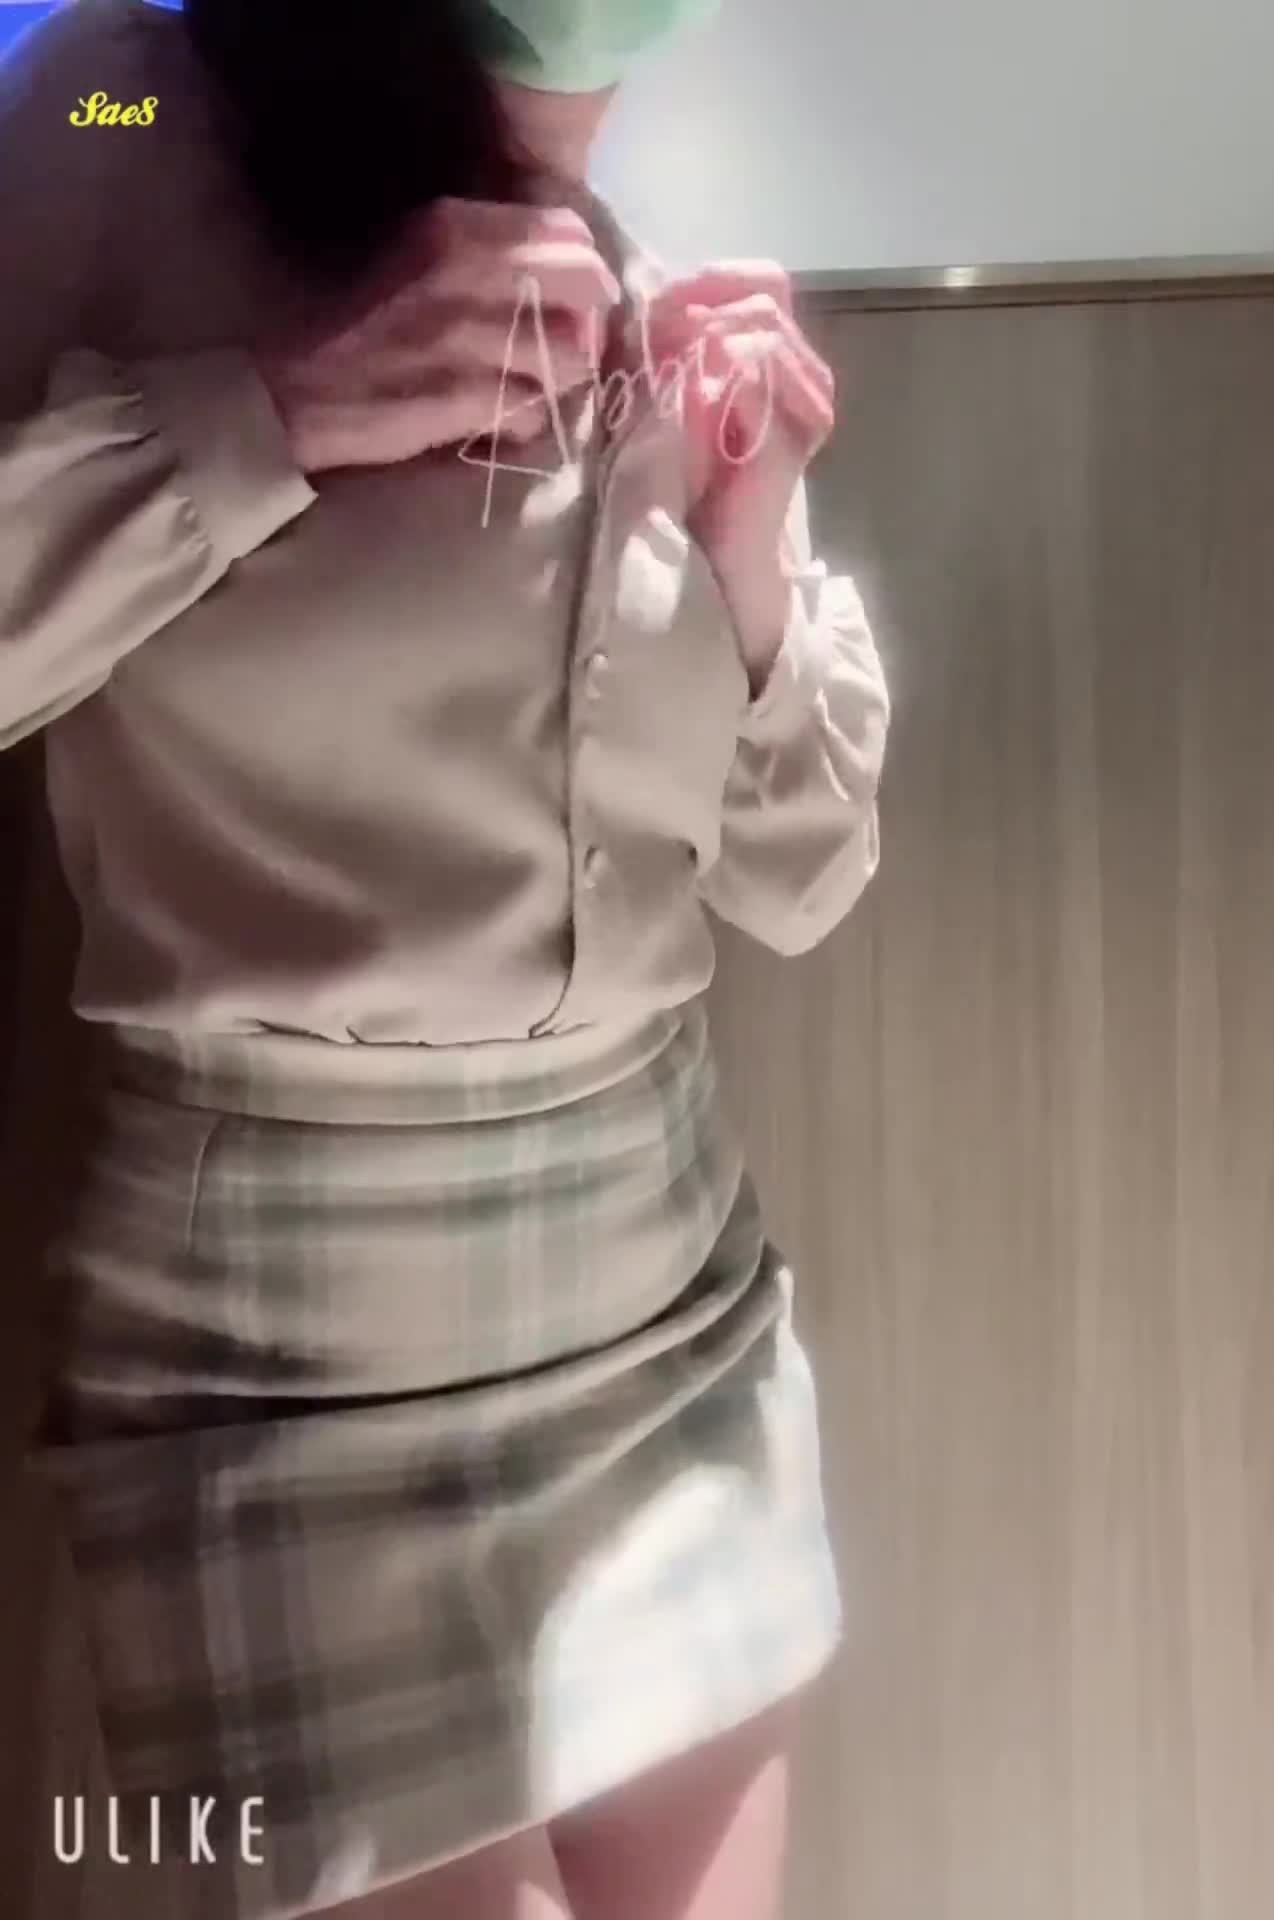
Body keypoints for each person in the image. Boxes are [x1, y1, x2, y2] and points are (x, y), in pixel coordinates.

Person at [0, 2, 890, 1916]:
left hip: (666, 1315)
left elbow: (805, 876)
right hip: (276, 1370)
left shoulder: (666, 260)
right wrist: (272, 410)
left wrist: (753, 561)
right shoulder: (114, 93)